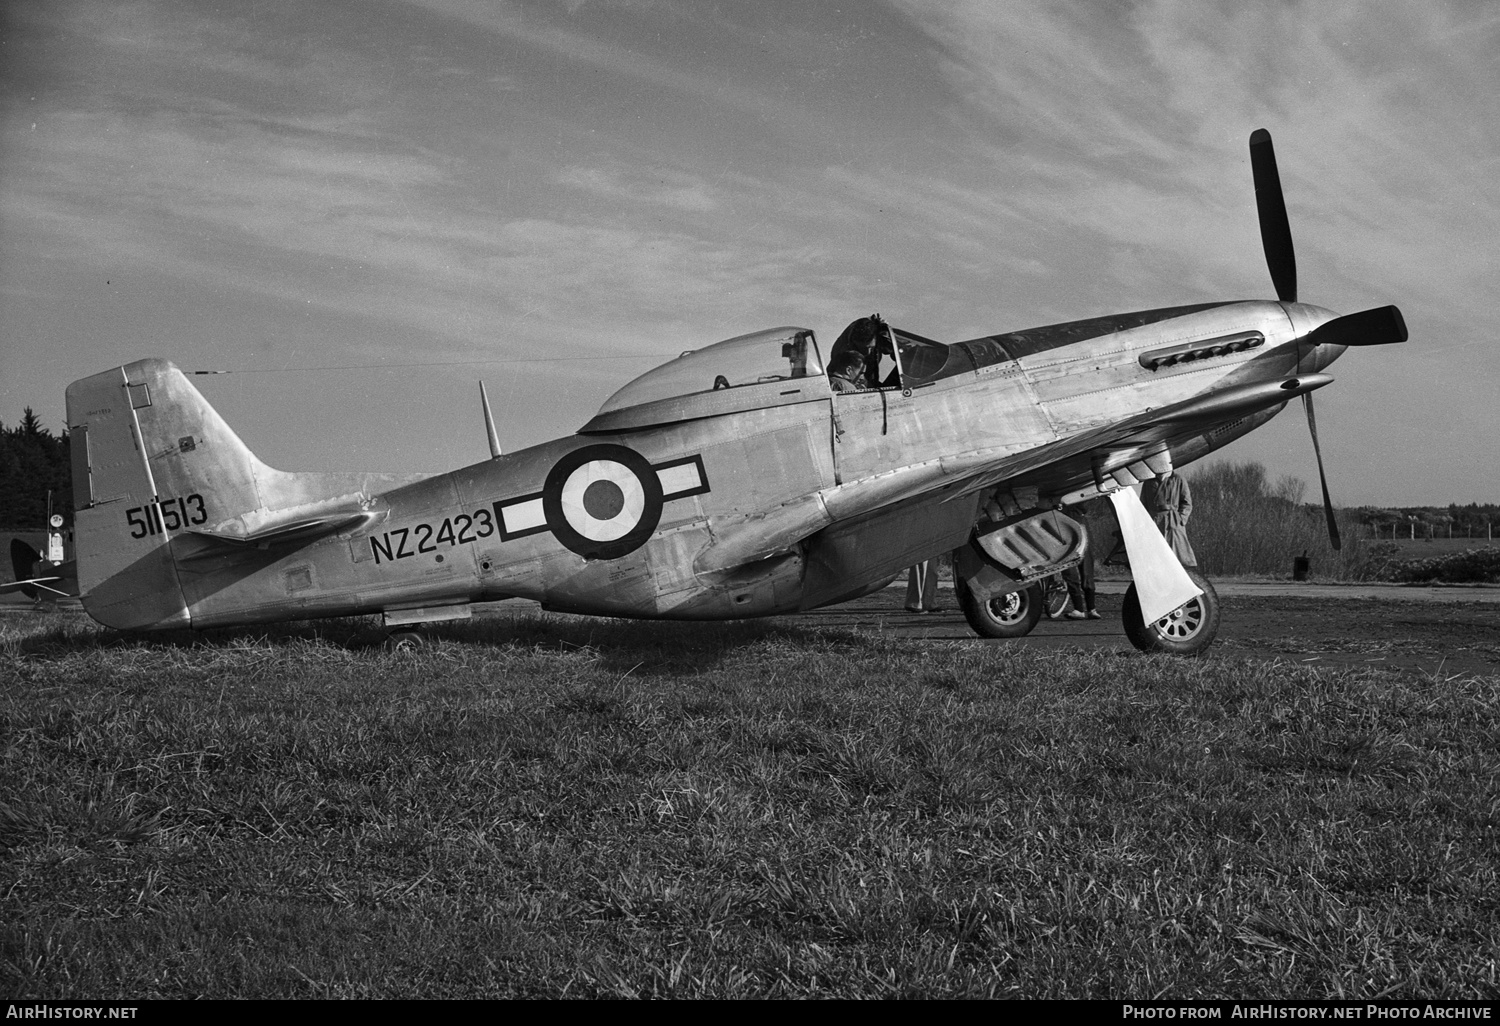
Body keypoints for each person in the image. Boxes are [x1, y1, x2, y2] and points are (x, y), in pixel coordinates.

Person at [1143, 470, 1196, 567]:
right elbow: (1143, 504)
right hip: (1154, 520)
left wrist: (1181, 520)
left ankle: (1185, 575)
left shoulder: (1178, 479)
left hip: (1173, 520)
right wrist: (1145, 522)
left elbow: (1187, 503)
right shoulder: (1149, 481)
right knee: (1154, 552)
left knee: (1179, 552)